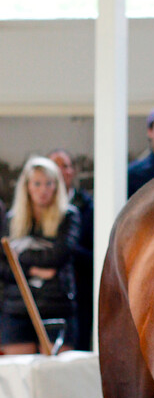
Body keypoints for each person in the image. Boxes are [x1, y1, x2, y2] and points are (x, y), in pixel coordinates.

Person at [1, 157, 81, 354]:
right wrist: (33, 270)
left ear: (56, 186)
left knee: (57, 376)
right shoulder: (12, 220)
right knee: (18, 377)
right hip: (17, 309)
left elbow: (58, 255)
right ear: (27, 186)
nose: (42, 189)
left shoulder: (68, 215)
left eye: (48, 183)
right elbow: (3, 265)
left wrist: (20, 258)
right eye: (37, 183)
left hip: (57, 307)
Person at [47, 149, 94, 351]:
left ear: (72, 171)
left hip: (79, 294)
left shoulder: (89, 208)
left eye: (65, 166)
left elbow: (97, 254)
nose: (60, 171)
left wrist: (64, 250)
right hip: (46, 295)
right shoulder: (33, 211)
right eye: (54, 166)